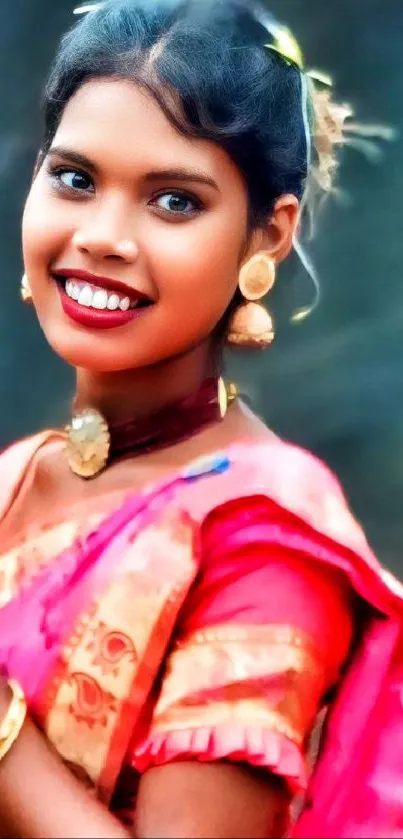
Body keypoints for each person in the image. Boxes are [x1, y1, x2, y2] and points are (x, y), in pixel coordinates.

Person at [0, 1, 402, 836]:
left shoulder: (262, 527)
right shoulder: (17, 472)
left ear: (268, 234)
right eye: (74, 178)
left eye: (174, 201)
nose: (103, 236)